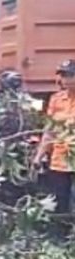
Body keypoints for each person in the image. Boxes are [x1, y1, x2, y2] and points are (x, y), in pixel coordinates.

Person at [34, 60, 75, 232]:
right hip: (60, 160)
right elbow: (49, 131)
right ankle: (59, 238)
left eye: (70, 75)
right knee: (59, 200)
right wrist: (39, 155)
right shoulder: (56, 99)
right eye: (63, 75)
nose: (66, 79)